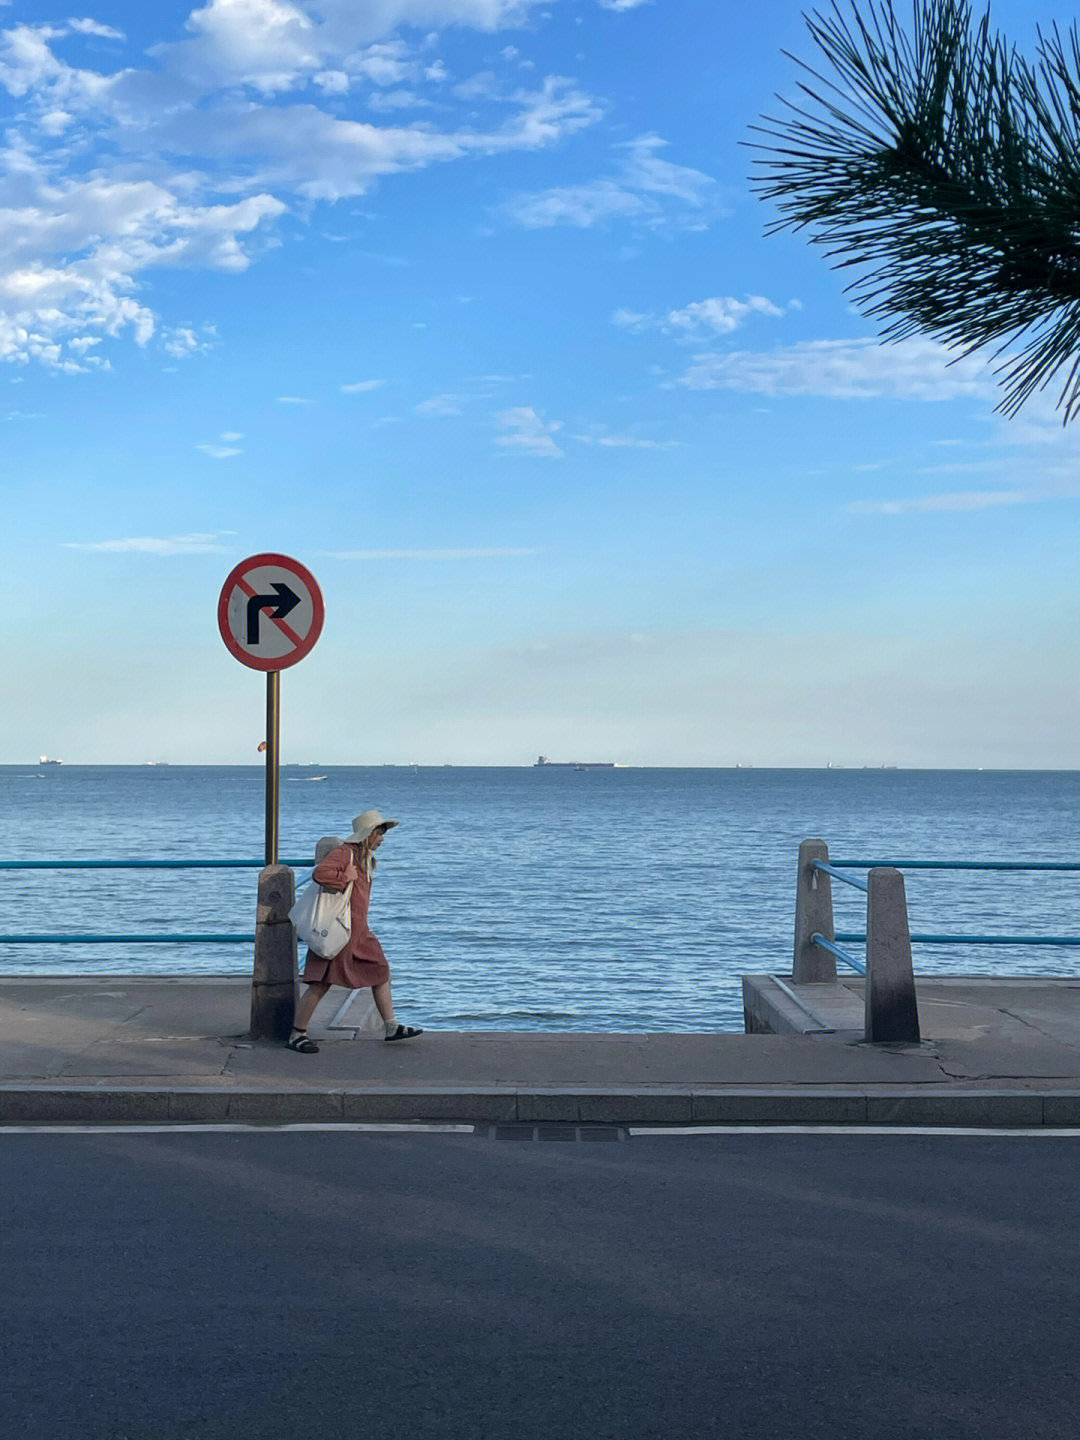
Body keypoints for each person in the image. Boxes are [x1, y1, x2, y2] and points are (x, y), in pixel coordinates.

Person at [287, 810, 422, 1053]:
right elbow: (320, 874)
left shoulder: (364, 856)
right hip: (340, 932)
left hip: (358, 932)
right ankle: (297, 1034)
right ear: (368, 834)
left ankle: (390, 1026)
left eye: (384, 833)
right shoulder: (345, 853)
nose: (382, 838)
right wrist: (344, 875)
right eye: (379, 832)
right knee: (320, 984)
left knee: (381, 970)